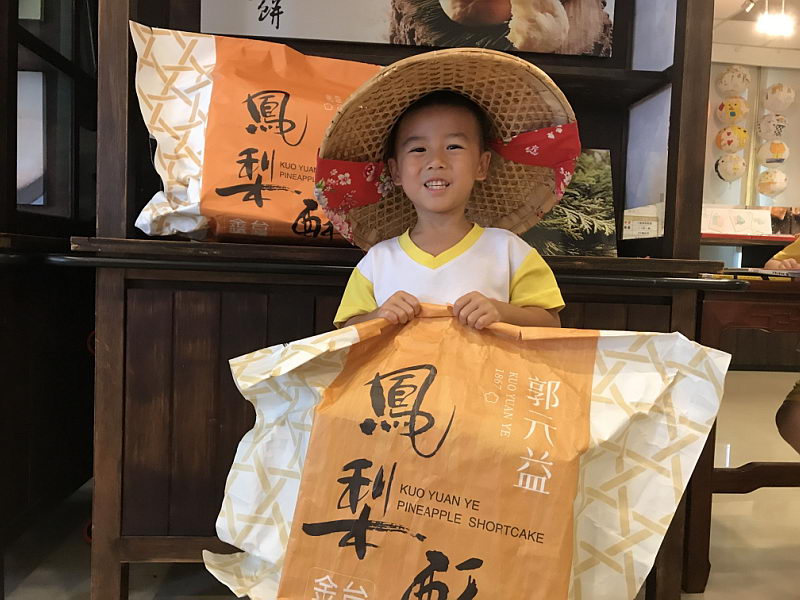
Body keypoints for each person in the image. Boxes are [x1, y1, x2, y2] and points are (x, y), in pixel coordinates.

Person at [313, 49, 581, 331]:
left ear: (482, 165)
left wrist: (502, 312)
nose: (436, 161)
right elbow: (347, 331)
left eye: (454, 146)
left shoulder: (509, 251)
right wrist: (378, 316)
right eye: (418, 149)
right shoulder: (379, 261)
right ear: (395, 171)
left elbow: (551, 324)